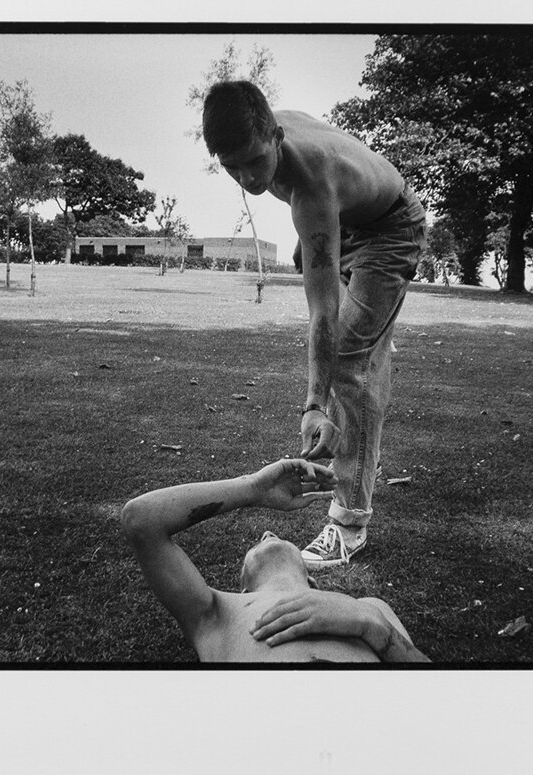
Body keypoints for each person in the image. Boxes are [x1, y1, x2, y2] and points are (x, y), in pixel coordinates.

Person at [202, 80, 427, 567]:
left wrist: (313, 406)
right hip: (351, 221)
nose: (247, 179)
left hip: (390, 228)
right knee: (362, 360)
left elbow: (322, 313)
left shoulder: (311, 182)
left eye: (255, 162)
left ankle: (349, 524)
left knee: (348, 357)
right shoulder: (262, 122)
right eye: (230, 166)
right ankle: (364, 437)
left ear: (277, 136)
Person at [121, 458, 430, 663]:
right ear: (244, 591)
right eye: (260, 540)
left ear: (313, 581)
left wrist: (375, 628)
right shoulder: (215, 614)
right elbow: (141, 519)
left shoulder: (372, 608)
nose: (267, 532)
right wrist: (253, 487)